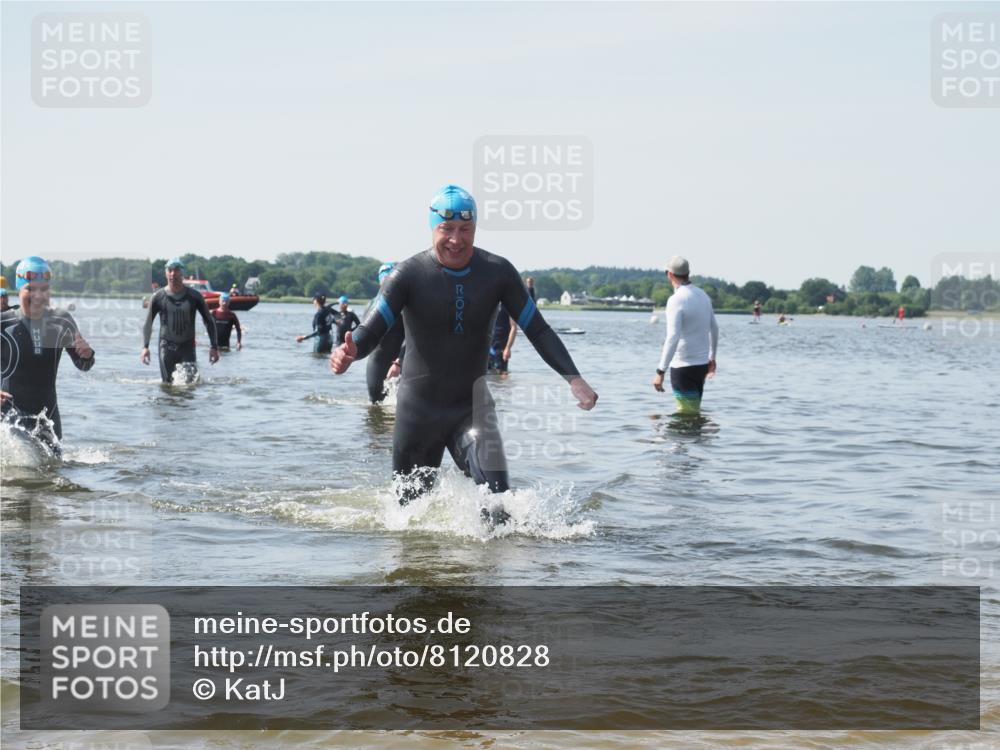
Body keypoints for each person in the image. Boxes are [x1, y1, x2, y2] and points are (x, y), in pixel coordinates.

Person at [330, 184, 598, 522]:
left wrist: (573, 378)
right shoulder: (407, 275)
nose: (456, 239)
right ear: (433, 228)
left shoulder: (498, 272)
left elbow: (537, 328)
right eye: (447, 229)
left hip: (472, 411)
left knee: (501, 508)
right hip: (417, 414)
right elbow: (371, 329)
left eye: (465, 230)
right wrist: (350, 352)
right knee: (407, 523)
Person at [1, 257, 95, 450]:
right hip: (8, 417)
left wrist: (87, 355)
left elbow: (83, 365)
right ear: (19, 289)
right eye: (31, 289)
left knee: (52, 471)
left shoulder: (61, 321)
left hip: (48, 418)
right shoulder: (4, 323)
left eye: (44, 289)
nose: (38, 295)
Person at [652, 255, 718, 414]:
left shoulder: (676, 299)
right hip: (701, 365)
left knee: (685, 415)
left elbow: (672, 337)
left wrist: (660, 371)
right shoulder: (703, 295)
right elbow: (715, 328)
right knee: (693, 412)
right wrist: (712, 358)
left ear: (670, 274)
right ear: (688, 273)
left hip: (682, 367)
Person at [141, 258, 219, 383]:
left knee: (189, 388)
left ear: (182, 273)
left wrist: (214, 347)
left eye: (176, 270)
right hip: (166, 349)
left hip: (187, 348)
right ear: (166, 274)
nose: (173, 274)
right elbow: (148, 324)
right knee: (167, 387)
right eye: (170, 271)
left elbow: (209, 321)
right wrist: (145, 347)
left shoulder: (194, 296)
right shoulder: (158, 297)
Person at [365, 263, 405, 403]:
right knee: (375, 406)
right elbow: (365, 334)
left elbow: (412, 338)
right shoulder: (371, 304)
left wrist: (399, 362)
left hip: (399, 362)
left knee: (400, 407)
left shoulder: (404, 307)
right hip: (376, 362)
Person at [487, 303, 517, 374]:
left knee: (502, 377)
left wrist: (508, 348)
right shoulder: (491, 302)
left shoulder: (509, 304)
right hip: (489, 348)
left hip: (502, 350)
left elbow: (514, 327)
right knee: (488, 378)